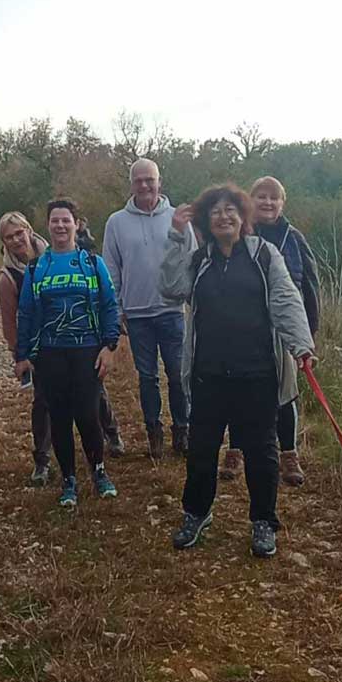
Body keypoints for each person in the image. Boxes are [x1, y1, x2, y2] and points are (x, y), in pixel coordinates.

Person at [160, 184, 315, 558]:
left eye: (231, 210)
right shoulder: (200, 260)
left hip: (257, 374)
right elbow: (170, 288)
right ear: (206, 221)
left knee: (262, 454)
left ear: (243, 217)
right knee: (201, 451)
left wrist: (301, 344)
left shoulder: (265, 255)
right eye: (215, 211)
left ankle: (264, 521)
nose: (223, 216)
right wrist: (177, 238)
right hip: (208, 374)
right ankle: (196, 513)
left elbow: (285, 299)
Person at [0, 212, 124, 486]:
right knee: (55, 413)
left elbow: (109, 305)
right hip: (48, 353)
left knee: (90, 411)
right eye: (10, 236)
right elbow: (22, 316)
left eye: (66, 220)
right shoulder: (23, 272)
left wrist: (110, 345)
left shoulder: (90, 262)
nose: (17, 239)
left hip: (85, 350)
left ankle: (101, 466)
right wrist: (20, 355)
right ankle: (60, 472)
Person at [220, 176, 320, 486]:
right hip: (243, 329)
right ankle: (235, 451)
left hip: (284, 332)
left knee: (285, 395)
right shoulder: (239, 236)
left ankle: (288, 455)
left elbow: (310, 286)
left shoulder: (294, 238)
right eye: (261, 197)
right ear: (251, 201)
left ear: (282, 203)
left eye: (273, 198)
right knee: (236, 392)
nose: (267, 202)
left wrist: (308, 334)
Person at [102, 158, 196, 458]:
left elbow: (191, 262)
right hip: (137, 313)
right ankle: (153, 434)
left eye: (149, 179)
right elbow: (110, 269)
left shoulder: (178, 219)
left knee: (178, 375)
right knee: (147, 378)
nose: (144, 185)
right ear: (131, 184)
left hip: (171, 310)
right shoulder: (116, 222)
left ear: (159, 182)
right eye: (138, 180)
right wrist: (116, 311)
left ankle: (182, 432)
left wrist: (196, 305)